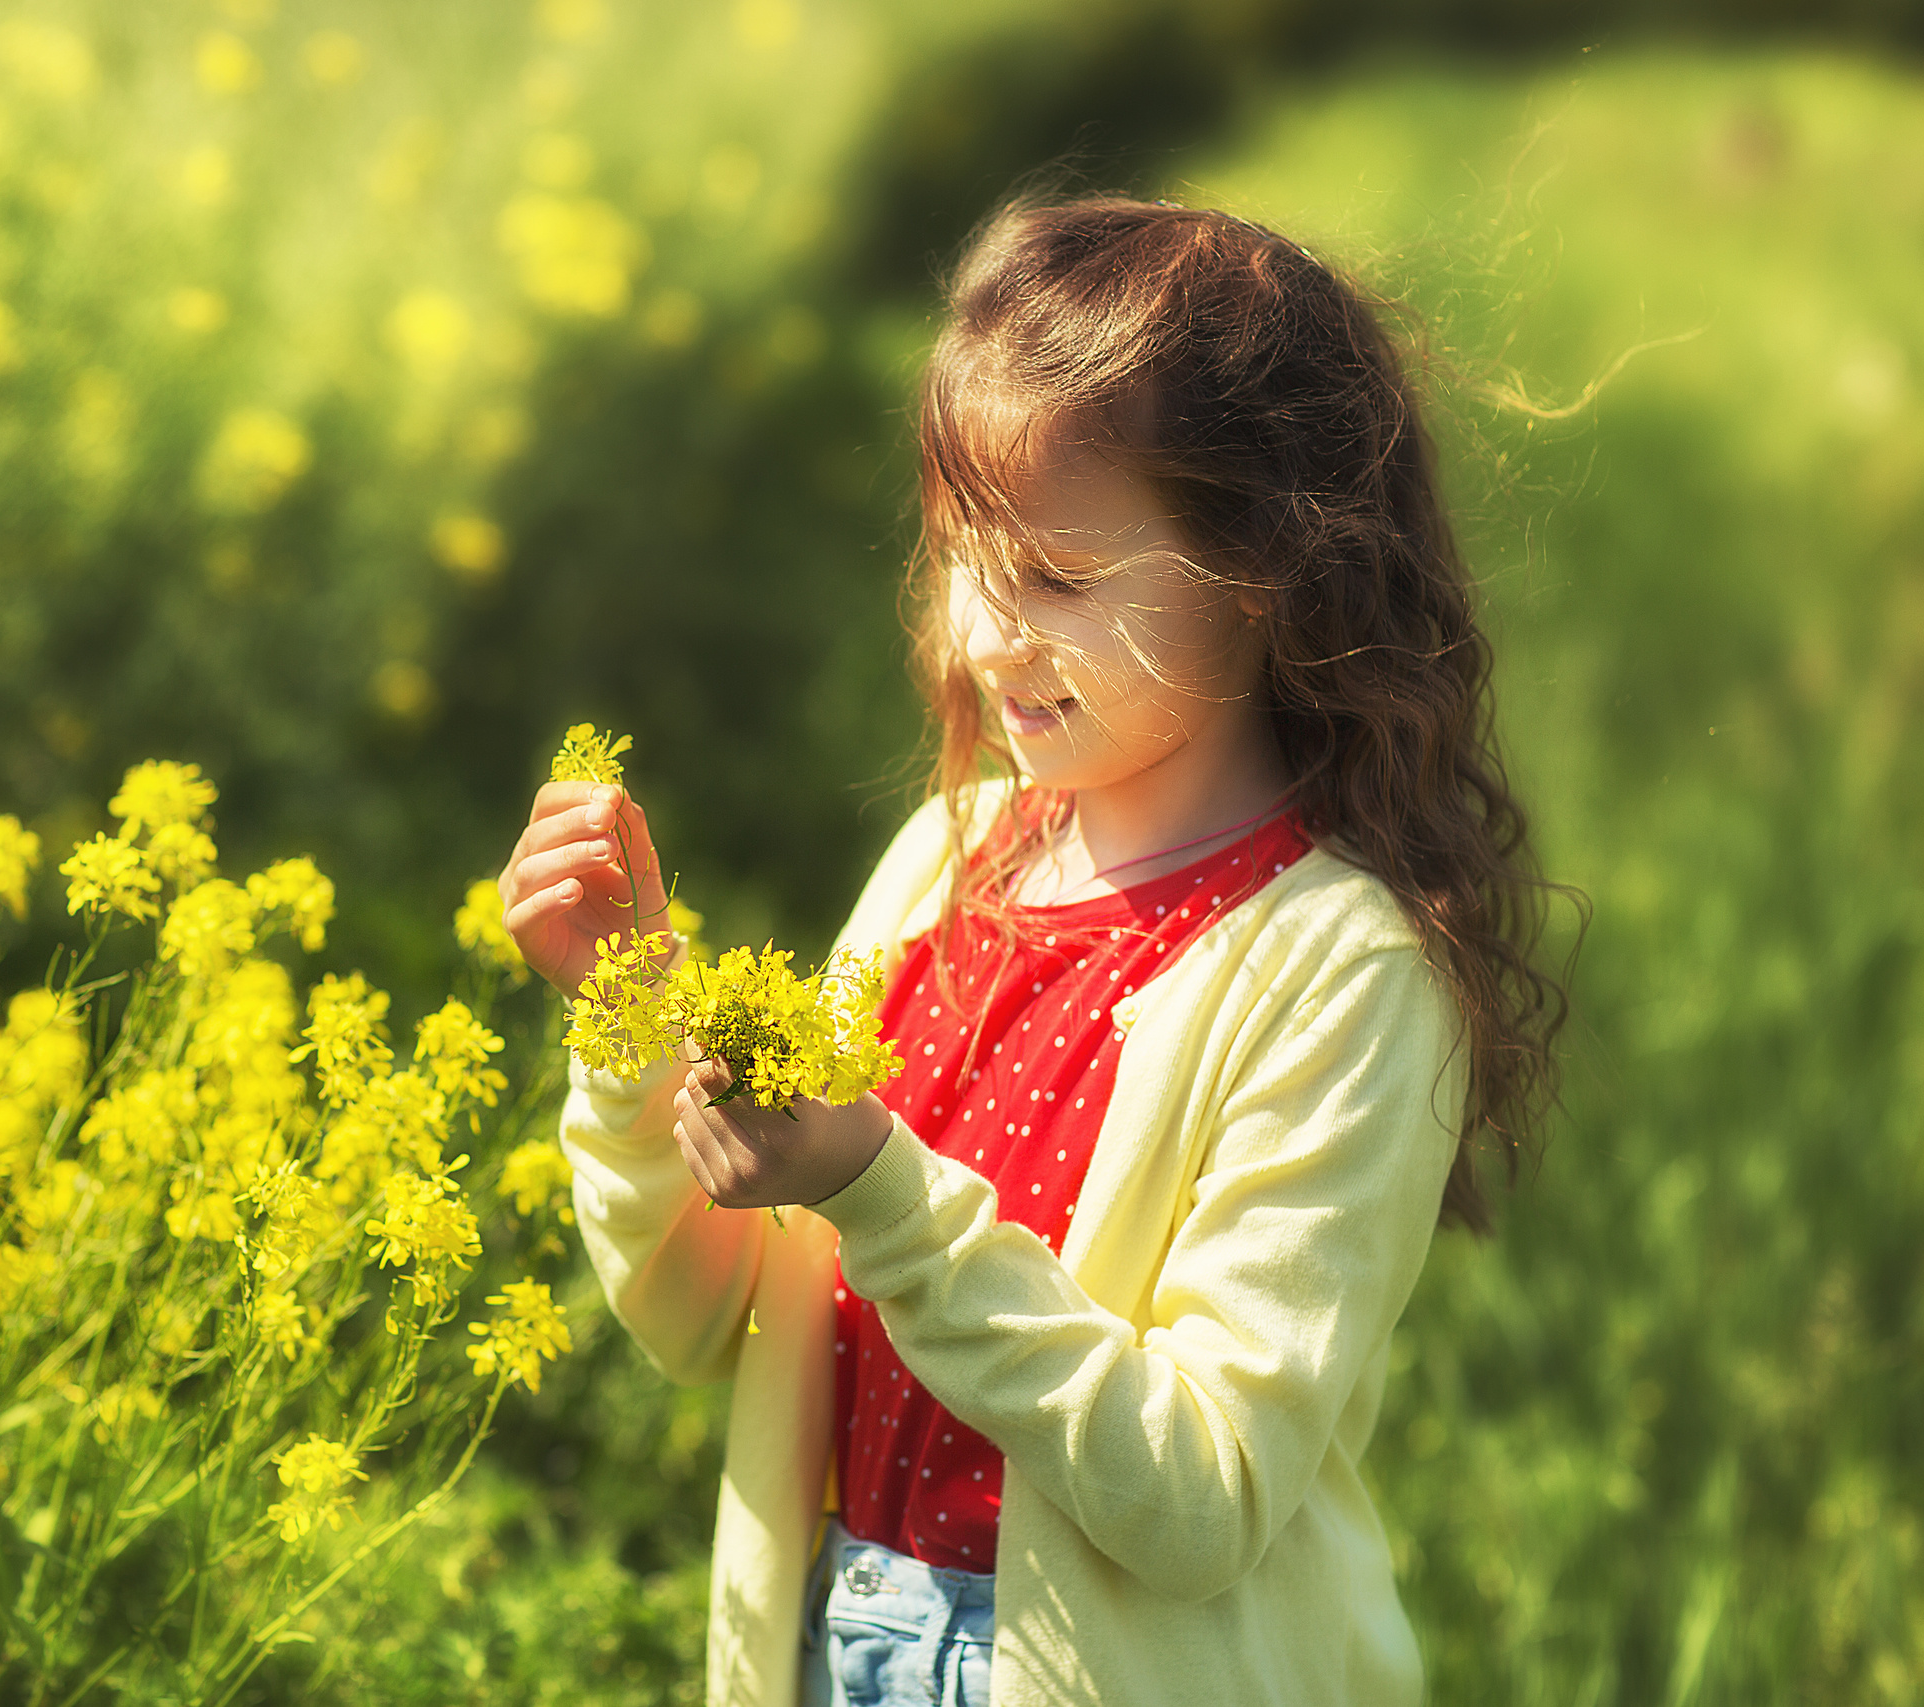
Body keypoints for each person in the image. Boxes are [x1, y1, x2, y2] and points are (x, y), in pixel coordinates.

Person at [497, 195, 1567, 1707]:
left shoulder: (1342, 971)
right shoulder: (953, 858)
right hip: (826, 1634)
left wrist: (881, 1193)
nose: (987, 634)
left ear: (1268, 574)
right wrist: (636, 1010)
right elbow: (700, 1314)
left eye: (1059, 577)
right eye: (961, 559)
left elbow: (1202, 1497)